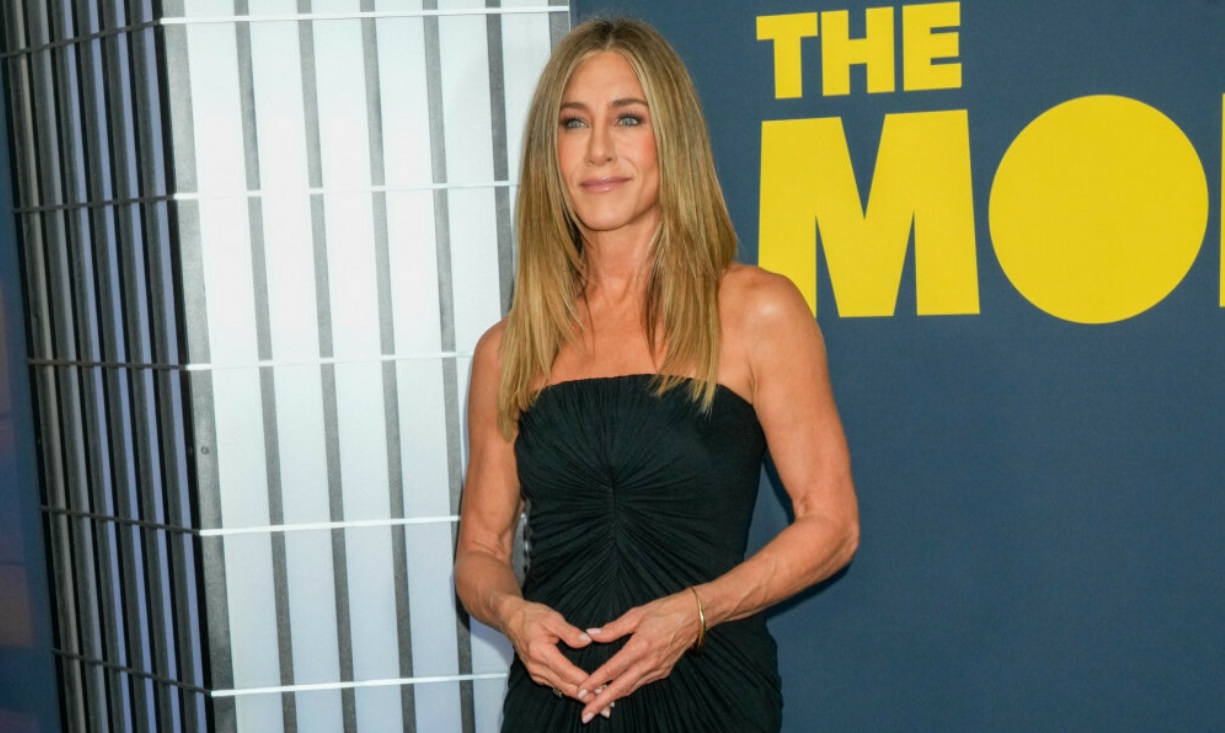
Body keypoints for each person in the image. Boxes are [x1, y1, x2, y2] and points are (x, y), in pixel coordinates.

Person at [454, 16, 859, 732]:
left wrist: (697, 612)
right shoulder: (509, 348)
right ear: (550, 152)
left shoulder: (756, 311)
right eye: (574, 123)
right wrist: (513, 614)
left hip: (709, 697)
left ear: (671, 138)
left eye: (628, 118)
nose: (599, 149)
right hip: (554, 706)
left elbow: (832, 524)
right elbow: (480, 552)